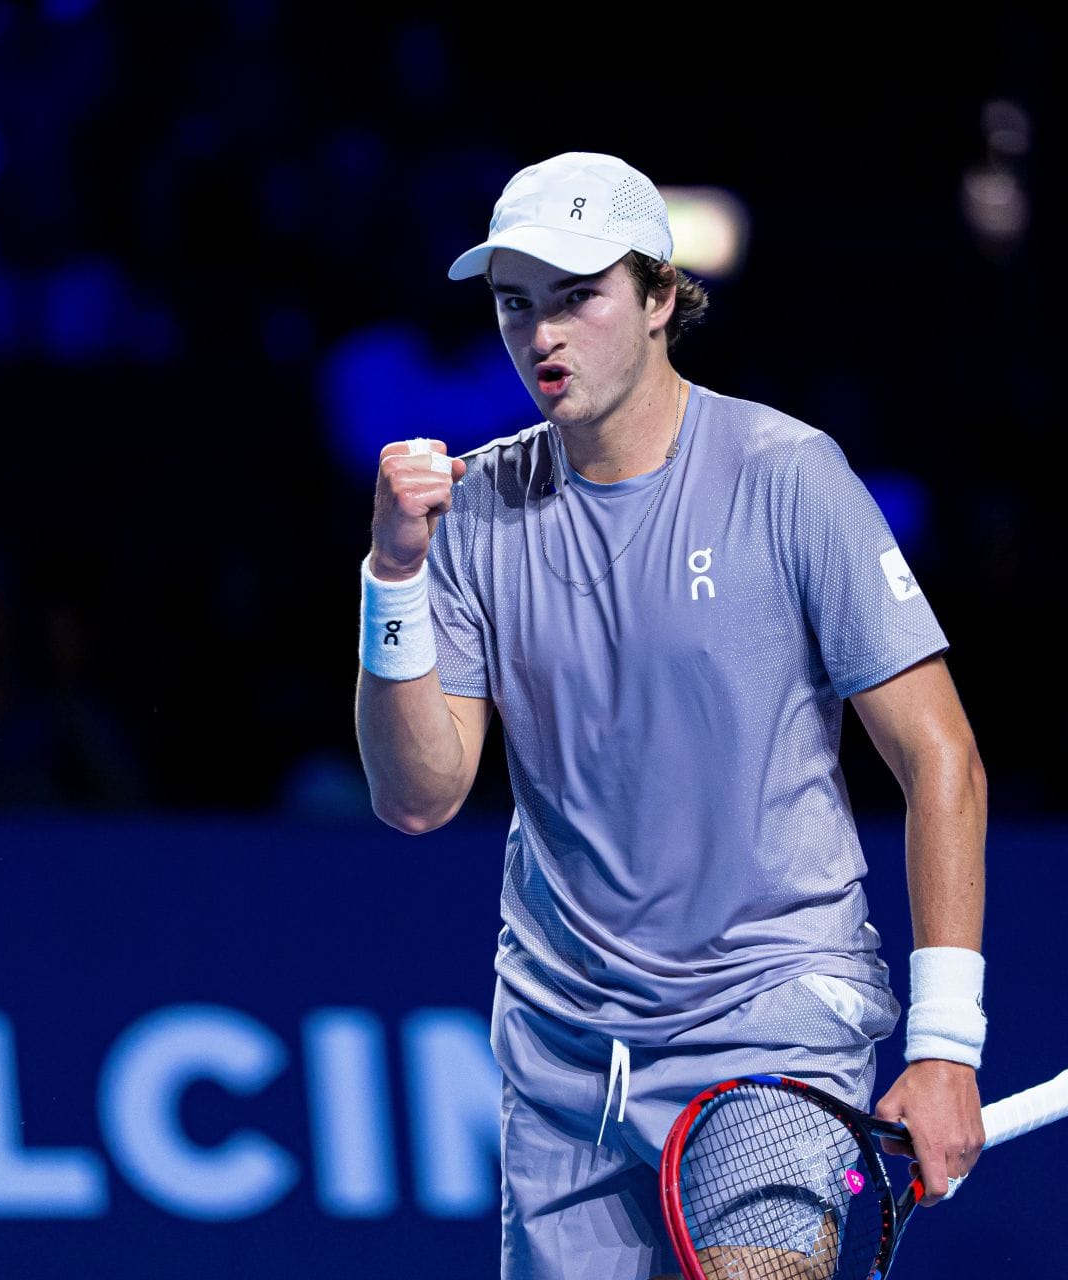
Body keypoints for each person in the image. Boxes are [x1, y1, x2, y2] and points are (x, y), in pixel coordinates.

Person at [353, 152, 989, 1279]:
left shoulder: (789, 476)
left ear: (658, 299)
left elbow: (943, 758)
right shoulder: (476, 513)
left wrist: (945, 1044)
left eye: (577, 296)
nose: (541, 334)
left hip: (768, 1021)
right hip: (563, 1057)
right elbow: (417, 797)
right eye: (515, 303)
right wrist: (393, 579)